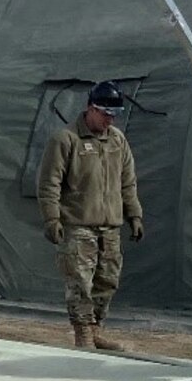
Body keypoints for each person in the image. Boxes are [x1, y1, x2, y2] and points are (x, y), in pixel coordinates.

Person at [34, 81, 145, 352]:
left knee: (107, 281)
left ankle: (96, 331)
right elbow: (49, 183)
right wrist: (52, 219)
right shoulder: (66, 139)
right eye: (104, 113)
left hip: (110, 227)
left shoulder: (117, 140)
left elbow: (127, 182)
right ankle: (83, 334)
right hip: (78, 225)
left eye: (113, 115)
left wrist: (134, 214)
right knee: (80, 282)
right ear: (90, 109)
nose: (109, 119)